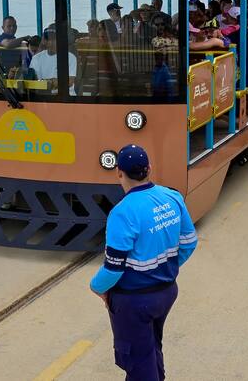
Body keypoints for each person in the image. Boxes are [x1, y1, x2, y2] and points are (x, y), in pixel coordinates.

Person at [90, 145, 196, 381]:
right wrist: (166, 268)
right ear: (149, 169)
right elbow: (189, 243)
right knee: (150, 349)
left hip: (135, 301)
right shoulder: (172, 197)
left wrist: (97, 287)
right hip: (166, 292)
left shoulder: (123, 212)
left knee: (138, 362)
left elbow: (113, 268)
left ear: (119, 172)